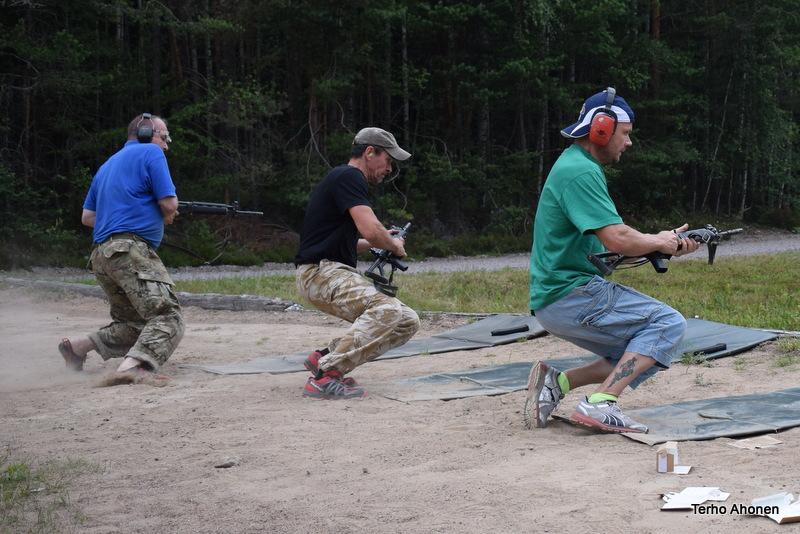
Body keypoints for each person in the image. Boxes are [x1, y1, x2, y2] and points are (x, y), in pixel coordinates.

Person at [526, 88, 700, 433]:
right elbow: (617, 237)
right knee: (667, 325)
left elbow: (609, 245)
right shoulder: (581, 172)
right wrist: (661, 242)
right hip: (569, 294)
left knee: (643, 350)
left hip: (556, 297)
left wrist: (659, 243)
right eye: (626, 134)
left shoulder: (574, 165)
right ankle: (600, 404)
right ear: (601, 129)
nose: (629, 143)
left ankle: (557, 383)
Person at [295, 127, 420, 400]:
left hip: (324, 271)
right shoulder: (350, 176)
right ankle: (325, 376)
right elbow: (371, 230)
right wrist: (392, 243)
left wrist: (382, 241)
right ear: (369, 152)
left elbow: (353, 240)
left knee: (407, 320)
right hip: (320, 272)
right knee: (386, 308)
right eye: (388, 160)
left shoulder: (343, 181)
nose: (389, 168)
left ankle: (324, 357)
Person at [58, 113, 184, 383]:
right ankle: (132, 368)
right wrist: (166, 215)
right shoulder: (150, 152)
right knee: (167, 316)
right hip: (129, 251)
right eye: (165, 137)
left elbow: (88, 217)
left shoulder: (107, 165)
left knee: (135, 324)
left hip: (102, 255)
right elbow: (170, 205)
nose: (166, 146)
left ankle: (78, 347)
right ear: (146, 133)